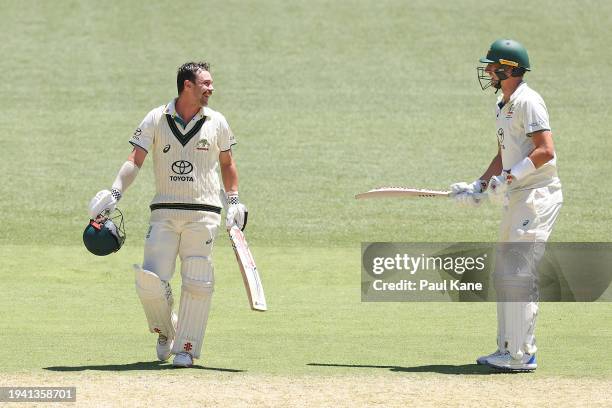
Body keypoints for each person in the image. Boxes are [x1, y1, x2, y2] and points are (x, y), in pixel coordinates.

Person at [88, 61, 247, 368]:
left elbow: (227, 164)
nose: (211, 88)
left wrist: (235, 201)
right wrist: (115, 193)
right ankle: (166, 330)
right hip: (164, 211)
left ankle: (186, 347)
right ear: (187, 85)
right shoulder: (156, 118)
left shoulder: (217, 121)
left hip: (204, 213)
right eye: (206, 83)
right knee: (150, 281)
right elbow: (135, 160)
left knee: (197, 279)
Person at [451, 39, 563, 371]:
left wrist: (511, 177)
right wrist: (480, 184)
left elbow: (545, 151)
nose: (487, 71)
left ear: (509, 69)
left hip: (537, 197)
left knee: (518, 273)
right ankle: (507, 349)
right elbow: (504, 155)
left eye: (492, 66)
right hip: (518, 196)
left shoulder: (529, 102)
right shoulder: (504, 104)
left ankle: (523, 354)